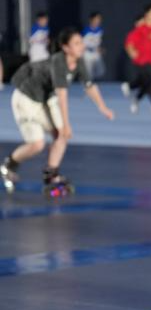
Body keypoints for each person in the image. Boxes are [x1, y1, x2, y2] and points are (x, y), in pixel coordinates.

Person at [1, 27, 114, 195]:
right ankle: (9, 165)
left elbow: (89, 86)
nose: (81, 46)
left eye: (81, 42)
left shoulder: (78, 61)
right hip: (26, 99)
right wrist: (66, 125)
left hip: (45, 98)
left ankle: (51, 176)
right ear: (65, 47)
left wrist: (103, 107)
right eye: (77, 43)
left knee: (61, 135)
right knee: (37, 144)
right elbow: (62, 95)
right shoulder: (58, 62)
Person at [122, 5, 151, 115]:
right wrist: (131, 52)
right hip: (142, 61)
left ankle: (133, 92)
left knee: (146, 83)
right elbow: (129, 43)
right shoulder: (140, 29)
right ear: (147, 14)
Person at [81, 12, 105, 80]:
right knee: (88, 73)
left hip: (96, 53)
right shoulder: (85, 31)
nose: (98, 21)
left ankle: (91, 81)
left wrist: (100, 49)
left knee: (101, 71)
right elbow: (82, 43)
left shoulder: (100, 30)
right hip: (87, 53)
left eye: (99, 19)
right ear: (91, 19)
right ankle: (87, 83)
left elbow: (97, 42)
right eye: (96, 19)